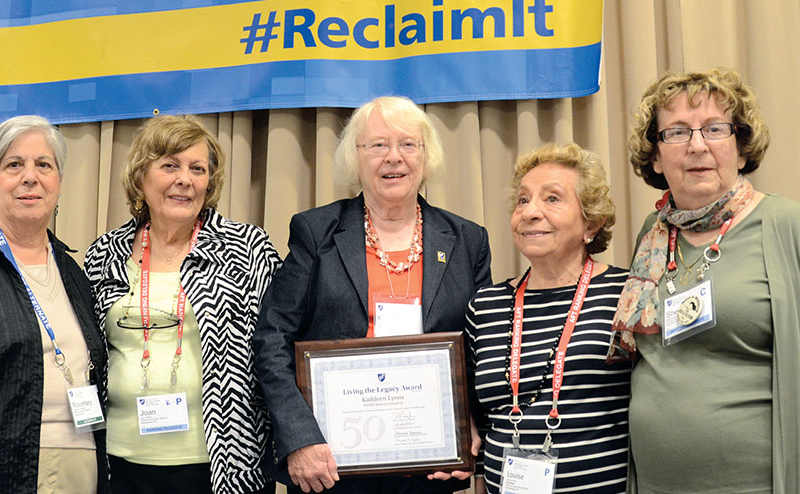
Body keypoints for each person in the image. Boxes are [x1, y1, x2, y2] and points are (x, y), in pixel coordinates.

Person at [253, 96, 492, 493]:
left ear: (426, 156)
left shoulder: (467, 239)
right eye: (378, 145)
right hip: (330, 467)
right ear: (355, 158)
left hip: (430, 465)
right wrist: (300, 438)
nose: (393, 157)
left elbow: (484, 345)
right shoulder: (316, 232)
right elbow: (271, 339)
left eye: (408, 144)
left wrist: (468, 422)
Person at [610, 68, 800, 493]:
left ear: (742, 147)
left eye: (714, 129)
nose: (697, 145)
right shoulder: (653, 235)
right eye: (676, 132)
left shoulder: (786, 224)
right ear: (656, 157)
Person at [84, 115, 281, 494]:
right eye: (170, 166)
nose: (184, 180)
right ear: (142, 177)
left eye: (197, 169)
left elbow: (278, 347)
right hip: (122, 459)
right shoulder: (104, 253)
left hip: (226, 463)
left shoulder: (246, 248)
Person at [0, 115, 109, 492]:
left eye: (44, 165)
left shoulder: (72, 272)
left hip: (79, 463)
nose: (31, 177)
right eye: (14, 165)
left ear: (58, 183)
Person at [465, 143, 631, 493]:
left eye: (552, 199)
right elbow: (478, 419)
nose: (530, 212)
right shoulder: (485, 305)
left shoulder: (626, 293)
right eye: (523, 200)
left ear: (592, 223)